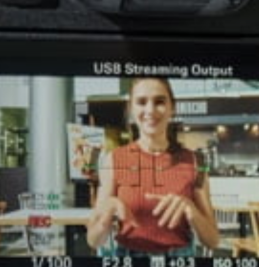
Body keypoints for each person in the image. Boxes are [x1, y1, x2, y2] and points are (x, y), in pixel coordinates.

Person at [86, 78, 220, 255]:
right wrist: (107, 212)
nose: (150, 110)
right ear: (131, 110)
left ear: (172, 108)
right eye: (141, 102)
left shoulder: (195, 161)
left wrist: (190, 209)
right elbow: (93, 240)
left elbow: (213, 240)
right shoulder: (113, 160)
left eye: (159, 102)